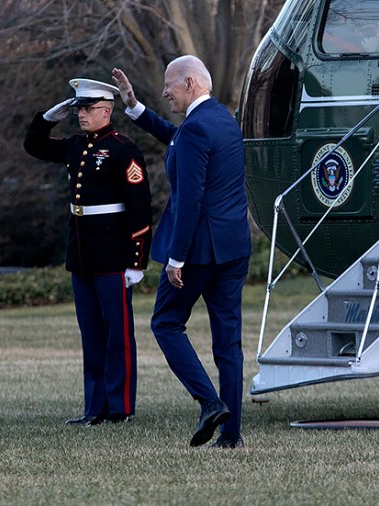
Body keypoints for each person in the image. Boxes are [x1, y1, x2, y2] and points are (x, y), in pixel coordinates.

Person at [112, 57, 251, 448]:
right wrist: (134, 106)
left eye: (169, 85)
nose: (165, 92)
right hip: (232, 249)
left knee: (165, 323)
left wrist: (177, 257)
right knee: (228, 343)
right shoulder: (222, 119)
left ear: (189, 83)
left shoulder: (195, 129)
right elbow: (174, 136)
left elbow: (190, 199)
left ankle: (209, 402)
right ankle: (232, 434)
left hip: (198, 254)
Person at [24, 78, 152, 427]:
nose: (81, 114)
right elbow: (33, 145)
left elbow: (140, 207)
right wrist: (50, 116)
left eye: (87, 108)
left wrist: (137, 261)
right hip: (82, 253)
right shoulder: (76, 146)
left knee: (117, 334)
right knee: (91, 333)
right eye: (78, 108)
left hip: (113, 255)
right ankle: (94, 407)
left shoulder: (123, 149)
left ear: (107, 110)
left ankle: (120, 407)